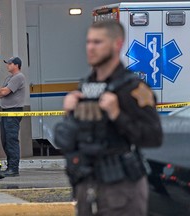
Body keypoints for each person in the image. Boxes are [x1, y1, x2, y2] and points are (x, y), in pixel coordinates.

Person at [58, 21, 162, 216]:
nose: (90, 48)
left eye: (98, 42)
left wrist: (117, 114)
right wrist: (69, 114)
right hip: (87, 184)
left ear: (117, 44)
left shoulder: (132, 88)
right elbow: (70, 140)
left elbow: (153, 136)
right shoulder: (86, 87)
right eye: (88, 42)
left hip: (121, 187)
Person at [0, 57, 26, 177]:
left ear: (17, 65)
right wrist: (1, 92)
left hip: (13, 111)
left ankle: (13, 168)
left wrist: (1, 92)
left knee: (11, 140)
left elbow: (3, 92)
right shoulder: (9, 77)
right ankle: (10, 167)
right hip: (6, 111)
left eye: (10, 63)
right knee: (5, 140)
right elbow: (0, 92)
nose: (7, 65)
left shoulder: (19, 77)